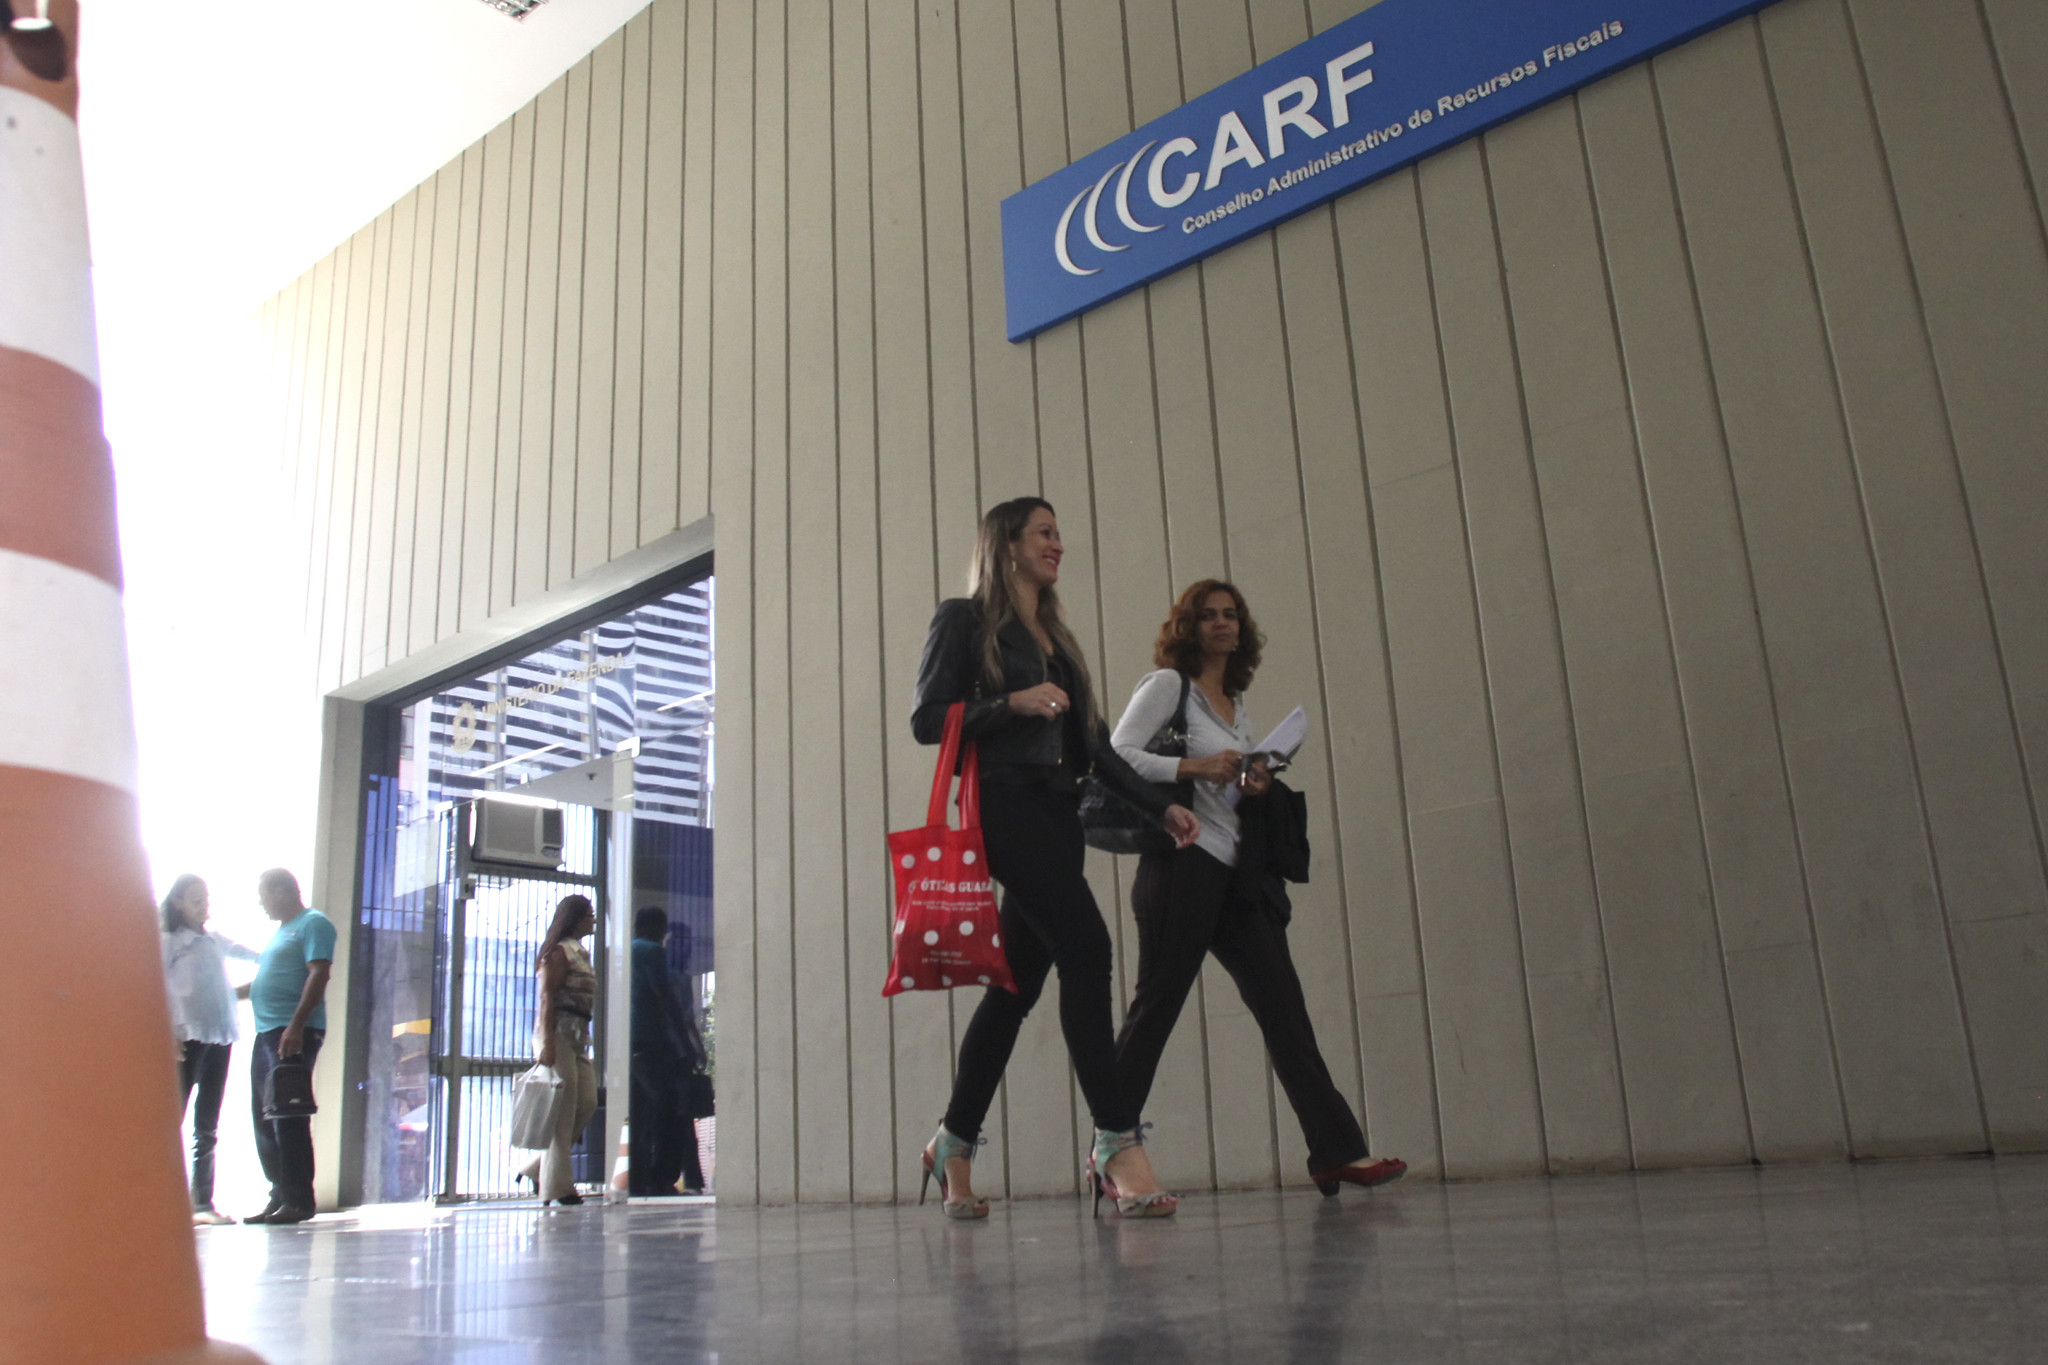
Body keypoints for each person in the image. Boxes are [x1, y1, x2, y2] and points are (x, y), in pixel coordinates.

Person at [911, 496, 1200, 1218]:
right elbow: (928, 719)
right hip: (1007, 810)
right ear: (1006, 543)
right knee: (1089, 944)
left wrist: (1157, 804)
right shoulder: (964, 620)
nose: (1057, 544)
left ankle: (952, 1140)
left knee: (1014, 990)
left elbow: (1096, 746)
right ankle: (1114, 1140)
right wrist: (1010, 703)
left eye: (1058, 534)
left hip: (1059, 815)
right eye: (1044, 532)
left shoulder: (1057, 637)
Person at [1110, 580, 1407, 1196]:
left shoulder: (1235, 702)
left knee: (1284, 1008)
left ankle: (1336, 1152)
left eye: (1231, 615)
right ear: (1186, 627)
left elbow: (1226, 778)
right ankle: (1111, 1146)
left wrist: (1253, 777)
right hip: (1181, 867)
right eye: (1208, 615)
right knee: (1157, 1007)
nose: (1222, 624)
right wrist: (1195, 766)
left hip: (1235, 875)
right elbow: (1116, 757)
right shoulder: (1169, 687)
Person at [159, 874, 259, 1225]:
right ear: (178, 904)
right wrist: (168, 1032)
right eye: (195, 899)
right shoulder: (170, 940)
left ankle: (202, 1203)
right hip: (187, 1036)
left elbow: (248, 954)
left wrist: (276, 960)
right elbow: (155, 983)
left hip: (219, 1037)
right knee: (175, 1117)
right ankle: (163, 1199)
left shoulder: (214, 941)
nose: (204, 904)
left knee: (207, 1125)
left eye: (206, 898)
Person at [242, 868, 336, 1225]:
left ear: (283, 891)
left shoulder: (313, 924)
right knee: (266, 1116)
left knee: (288, 1115)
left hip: (292, 1031)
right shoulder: (280, 933)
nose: (261, 903)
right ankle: (279, 1194)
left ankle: (299, 1200)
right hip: (267, 1032)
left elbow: (319, 973)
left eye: (264, 894)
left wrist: (297, 1026)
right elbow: (263, 984)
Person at [523, 894, 601, 1206]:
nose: (592, 920)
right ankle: (559, 1187)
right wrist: (547, 1042)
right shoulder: (557, 954)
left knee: (586, 1102)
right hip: (557, 1035)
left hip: (578, 1036)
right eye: (589, 915)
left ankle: (537, 1168)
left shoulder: (580, 952)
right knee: (563, 1112)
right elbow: (547, 999)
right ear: (576, 918)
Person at [629, 907, 705, 1196]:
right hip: (652, 1038)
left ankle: (639, 1179)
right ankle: (663, 1177)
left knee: (640, 1113)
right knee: (671, 1108)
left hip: (632, 1040)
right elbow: (666, 999)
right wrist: (686, 1045)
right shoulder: (652, 951)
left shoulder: (629, 950)